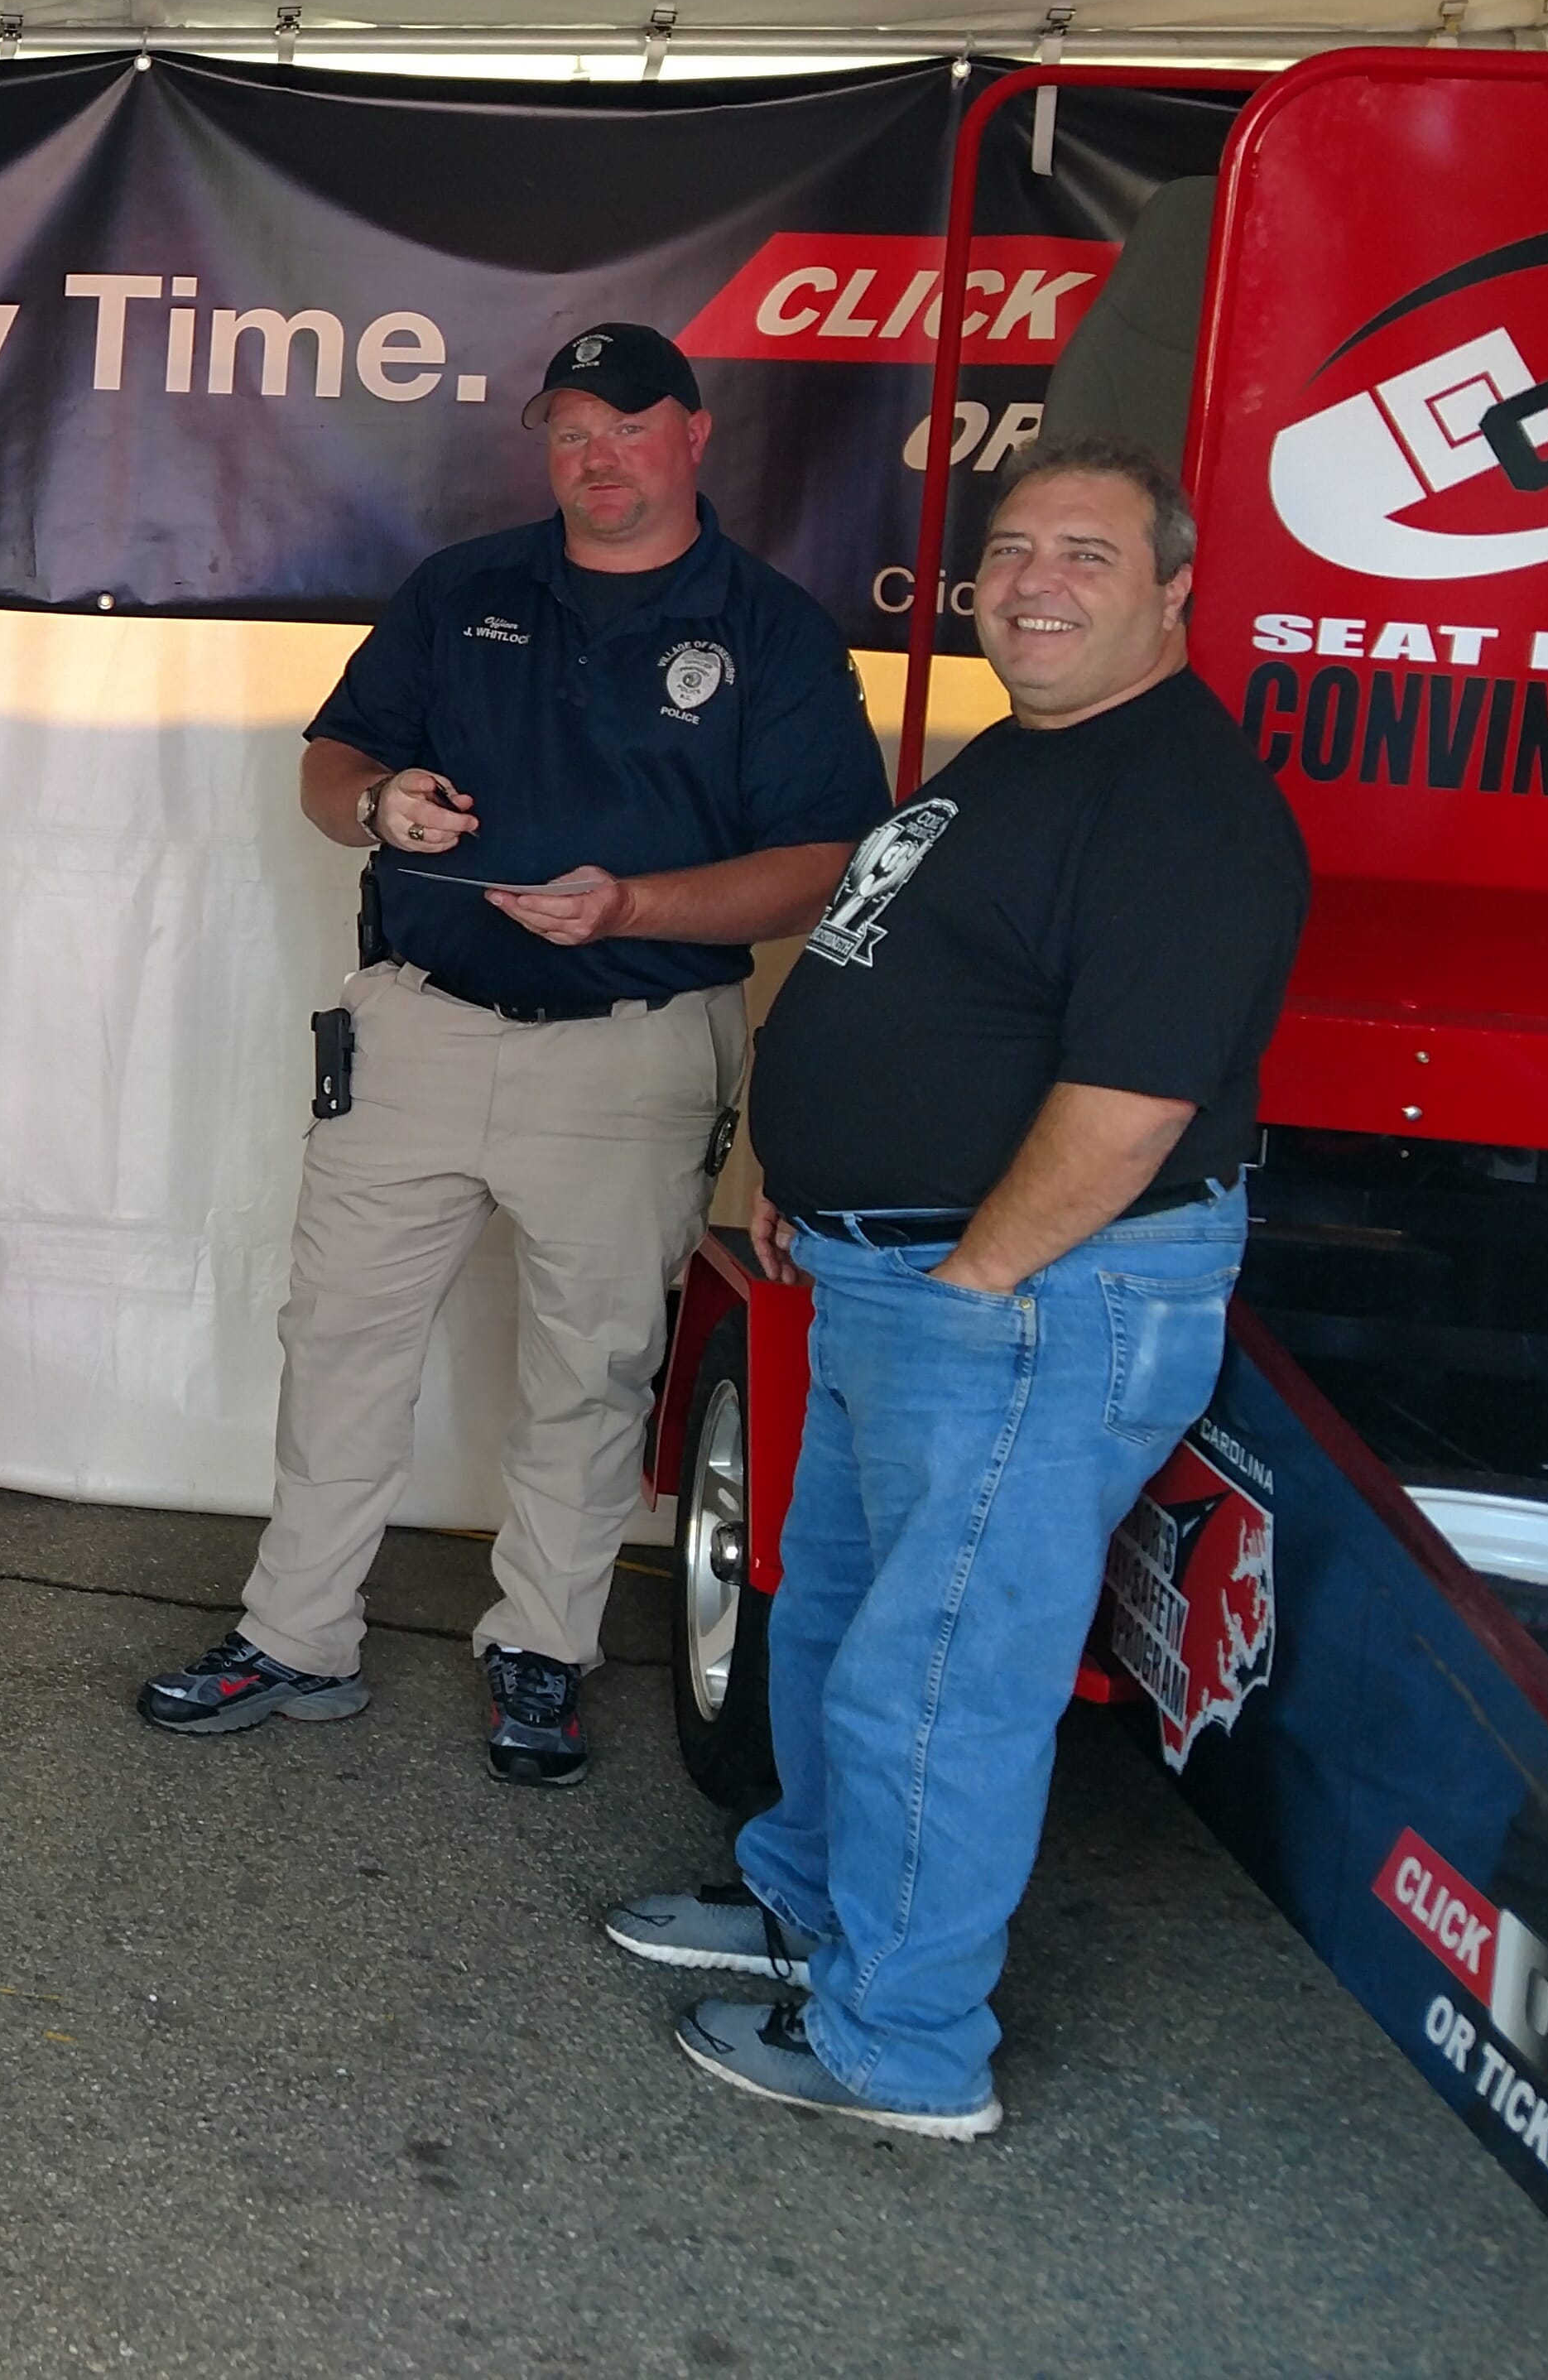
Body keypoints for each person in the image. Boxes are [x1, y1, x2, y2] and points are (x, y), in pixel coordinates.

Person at [604, 439, 1306, 2139]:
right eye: (1009, 550)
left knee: (935, 1679)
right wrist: (806, 1169)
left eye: (1084, 553)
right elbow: (905, 978)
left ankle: (902, 2044)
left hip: (1023, 1300)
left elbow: (1129, 1107)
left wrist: (971, 1278)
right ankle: (807, 1907)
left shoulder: (1179, 802)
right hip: (900, 1276)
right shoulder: (1021, 753)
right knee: (832, 1626)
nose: (1032, 582)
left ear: (1172, 592)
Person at [138, 322, 889, 1782]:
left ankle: (541, 1650)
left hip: (630, 1050)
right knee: (337, 1342)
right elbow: (330, 761)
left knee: (589, 1368)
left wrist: (633, 905)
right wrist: (377, 807)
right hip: (418, 1026)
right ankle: (294, 1637)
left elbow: (820, 865)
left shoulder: (770, 630)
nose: (596, 457)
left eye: (626, 426)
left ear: (692, 436)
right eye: (569, 431)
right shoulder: (464, 587)